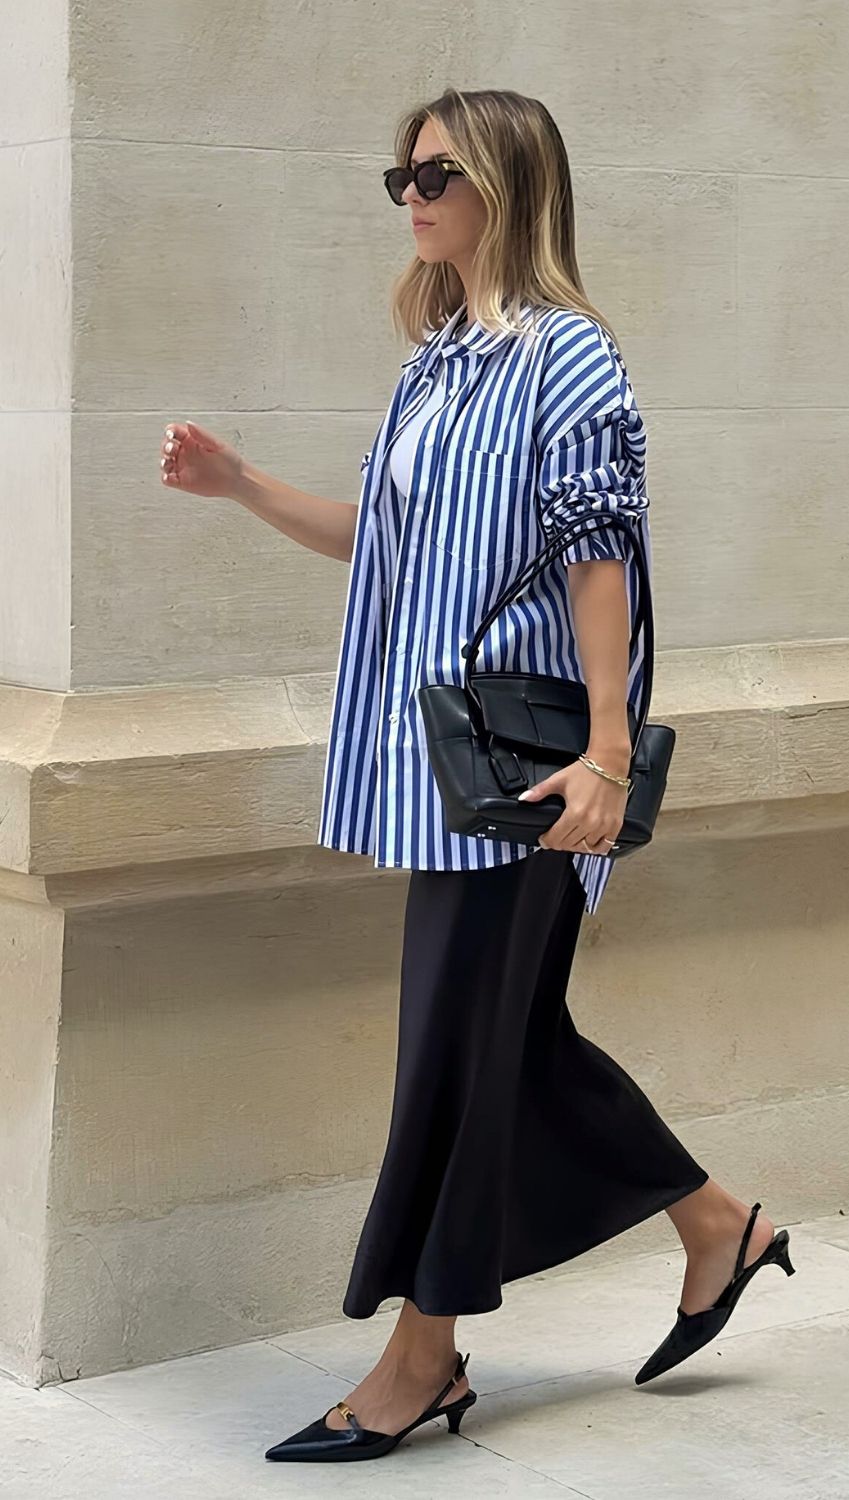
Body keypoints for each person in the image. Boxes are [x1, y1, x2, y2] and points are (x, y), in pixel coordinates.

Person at [159, 86, 795, 1467]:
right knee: (510, 1041)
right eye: (397, 174)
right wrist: (245, 484)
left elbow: (597, 557)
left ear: (507, 177)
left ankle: (424, 1354)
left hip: (538, 766)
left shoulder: (570, 359)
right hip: (440, 776)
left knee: (459, 1048)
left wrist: (613, 754)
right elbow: (388, 546)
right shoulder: (439, 359)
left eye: (434, 170)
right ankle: (719, 1228)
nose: (410, 194)